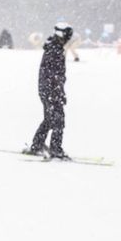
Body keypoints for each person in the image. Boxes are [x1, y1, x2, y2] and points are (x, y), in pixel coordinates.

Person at [24, 22, 73, 159]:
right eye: (68, 35)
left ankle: (37, 145)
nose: (69, 38)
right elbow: (53, 76)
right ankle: (55, 149)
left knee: (50, 119)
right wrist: (58, 92)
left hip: (48, 90)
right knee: (58, 120)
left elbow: (55, 75)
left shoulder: (55, 47)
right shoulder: (55, 49)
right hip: (51, 91)